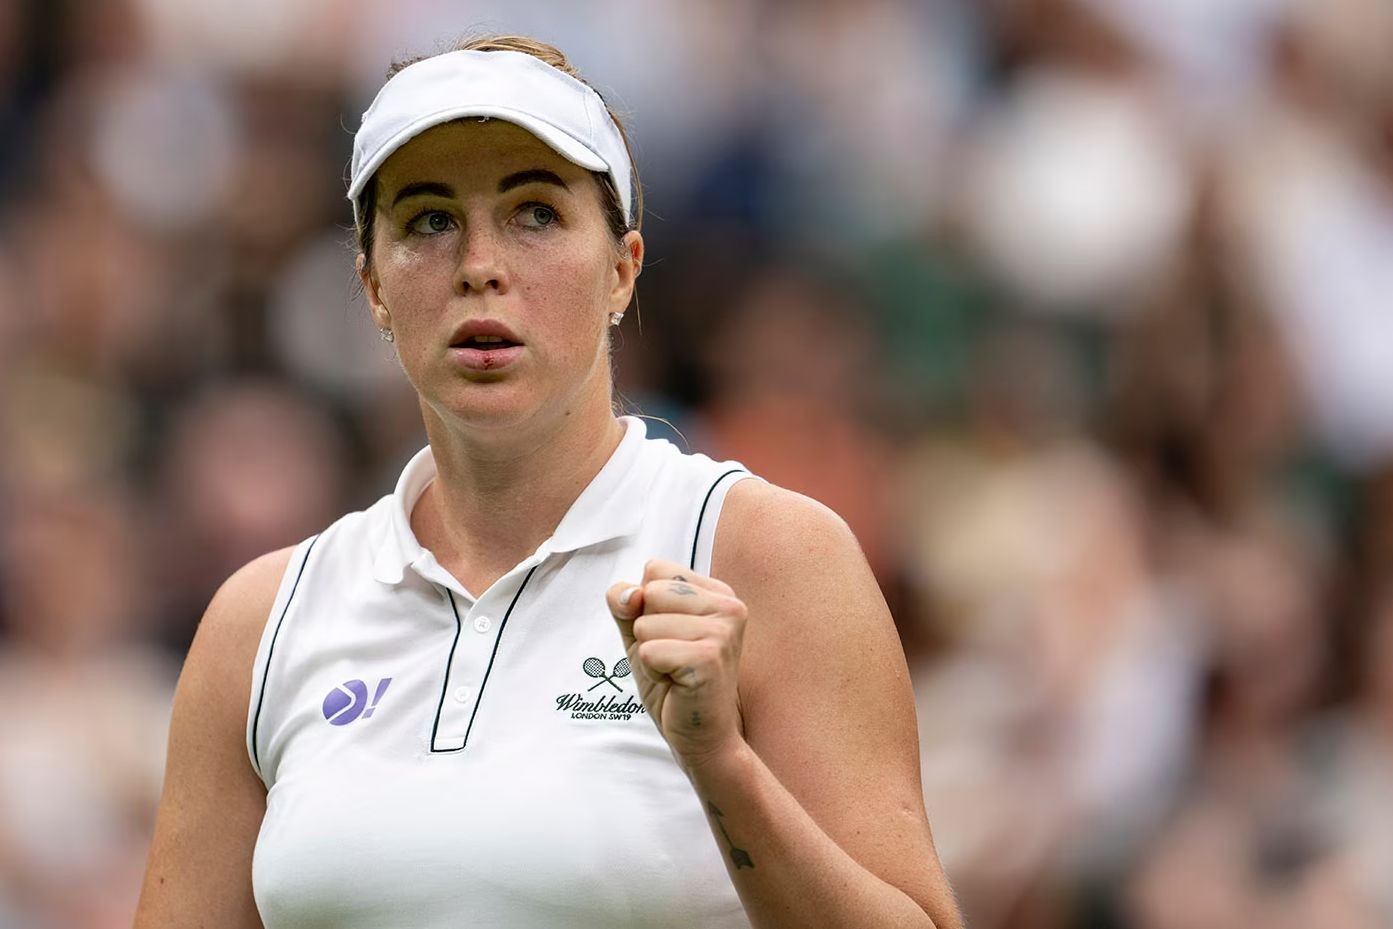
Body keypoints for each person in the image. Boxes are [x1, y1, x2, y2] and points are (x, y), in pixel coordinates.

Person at [134, 35, 961, 929]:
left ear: (622, 269)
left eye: (534, 213)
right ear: (371, 286)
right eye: (428, 220)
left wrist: (721, 763)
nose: (479, 265)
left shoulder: (770, 555)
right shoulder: (261, 622)